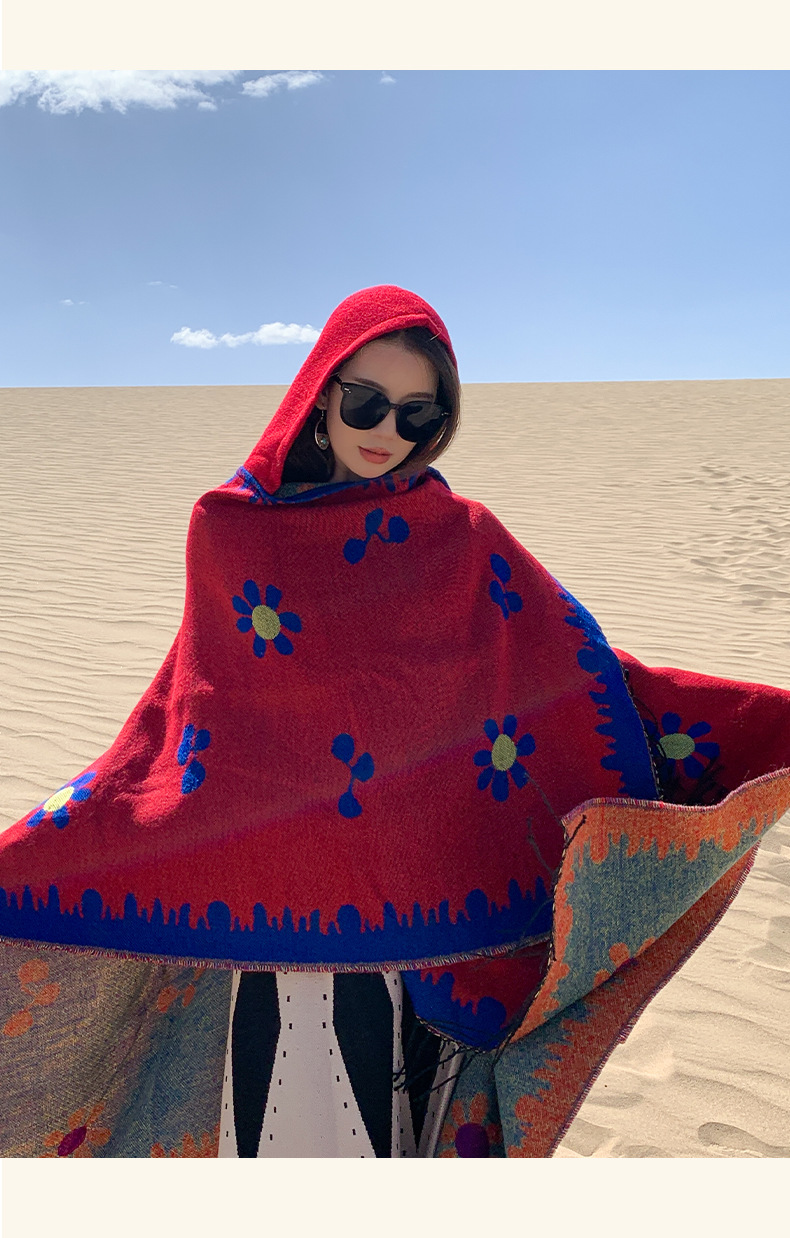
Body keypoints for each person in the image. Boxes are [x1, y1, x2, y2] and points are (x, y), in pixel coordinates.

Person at [1, 285, 789, 1160]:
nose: (388, 429)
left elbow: (575, 681)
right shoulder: (233, 532)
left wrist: (760, 726)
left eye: (418, 413)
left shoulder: (463, 539)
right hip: (271, 915)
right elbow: (192, 727)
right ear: (320, 395)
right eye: (367, 402)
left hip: (419, 929)